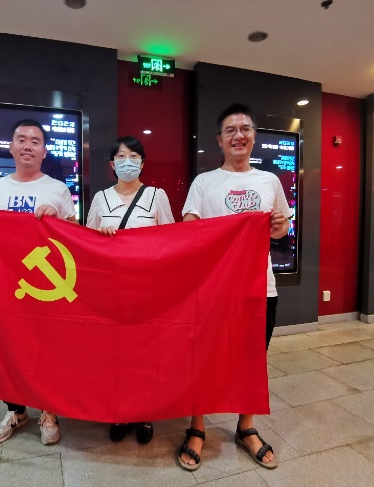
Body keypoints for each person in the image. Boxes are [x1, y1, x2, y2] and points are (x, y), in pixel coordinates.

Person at [177, 104, 290, 471]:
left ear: (253, 137)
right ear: (219, 140)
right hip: (212, 288)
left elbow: (282, 228)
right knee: (202, 358)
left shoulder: (269, 181)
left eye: (245, 129)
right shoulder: (204, 182)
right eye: (230, 130)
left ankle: (246, 427)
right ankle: (197, 427)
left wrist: (278, 226)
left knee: (252, 360)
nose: (238, 135)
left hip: (259, 286)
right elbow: (190, 226)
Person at [0, 119, 78, 446]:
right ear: (12, 147)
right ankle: (16, 411)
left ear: (44, 151)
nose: (28, 146)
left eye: (35, 141)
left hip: (47, 287)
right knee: (9, 345)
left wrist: (57, 220)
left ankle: (49, 411)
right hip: (7, 285)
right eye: (22, 140)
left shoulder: (58, 189)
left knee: (47, 349)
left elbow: (77, 234)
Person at [86, 135, 175, 444]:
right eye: (122, 156)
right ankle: (121, 411)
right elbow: (86, 243)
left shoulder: (157, 196)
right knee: (117, 354)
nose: (128, 161)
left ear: (142, 163)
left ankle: (145, 412)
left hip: (148, 290)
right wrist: (100, 236)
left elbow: (171, 240)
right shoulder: (101, 198)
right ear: (112, 164)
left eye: (134, 156)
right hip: (112, 291)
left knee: (146, 354)